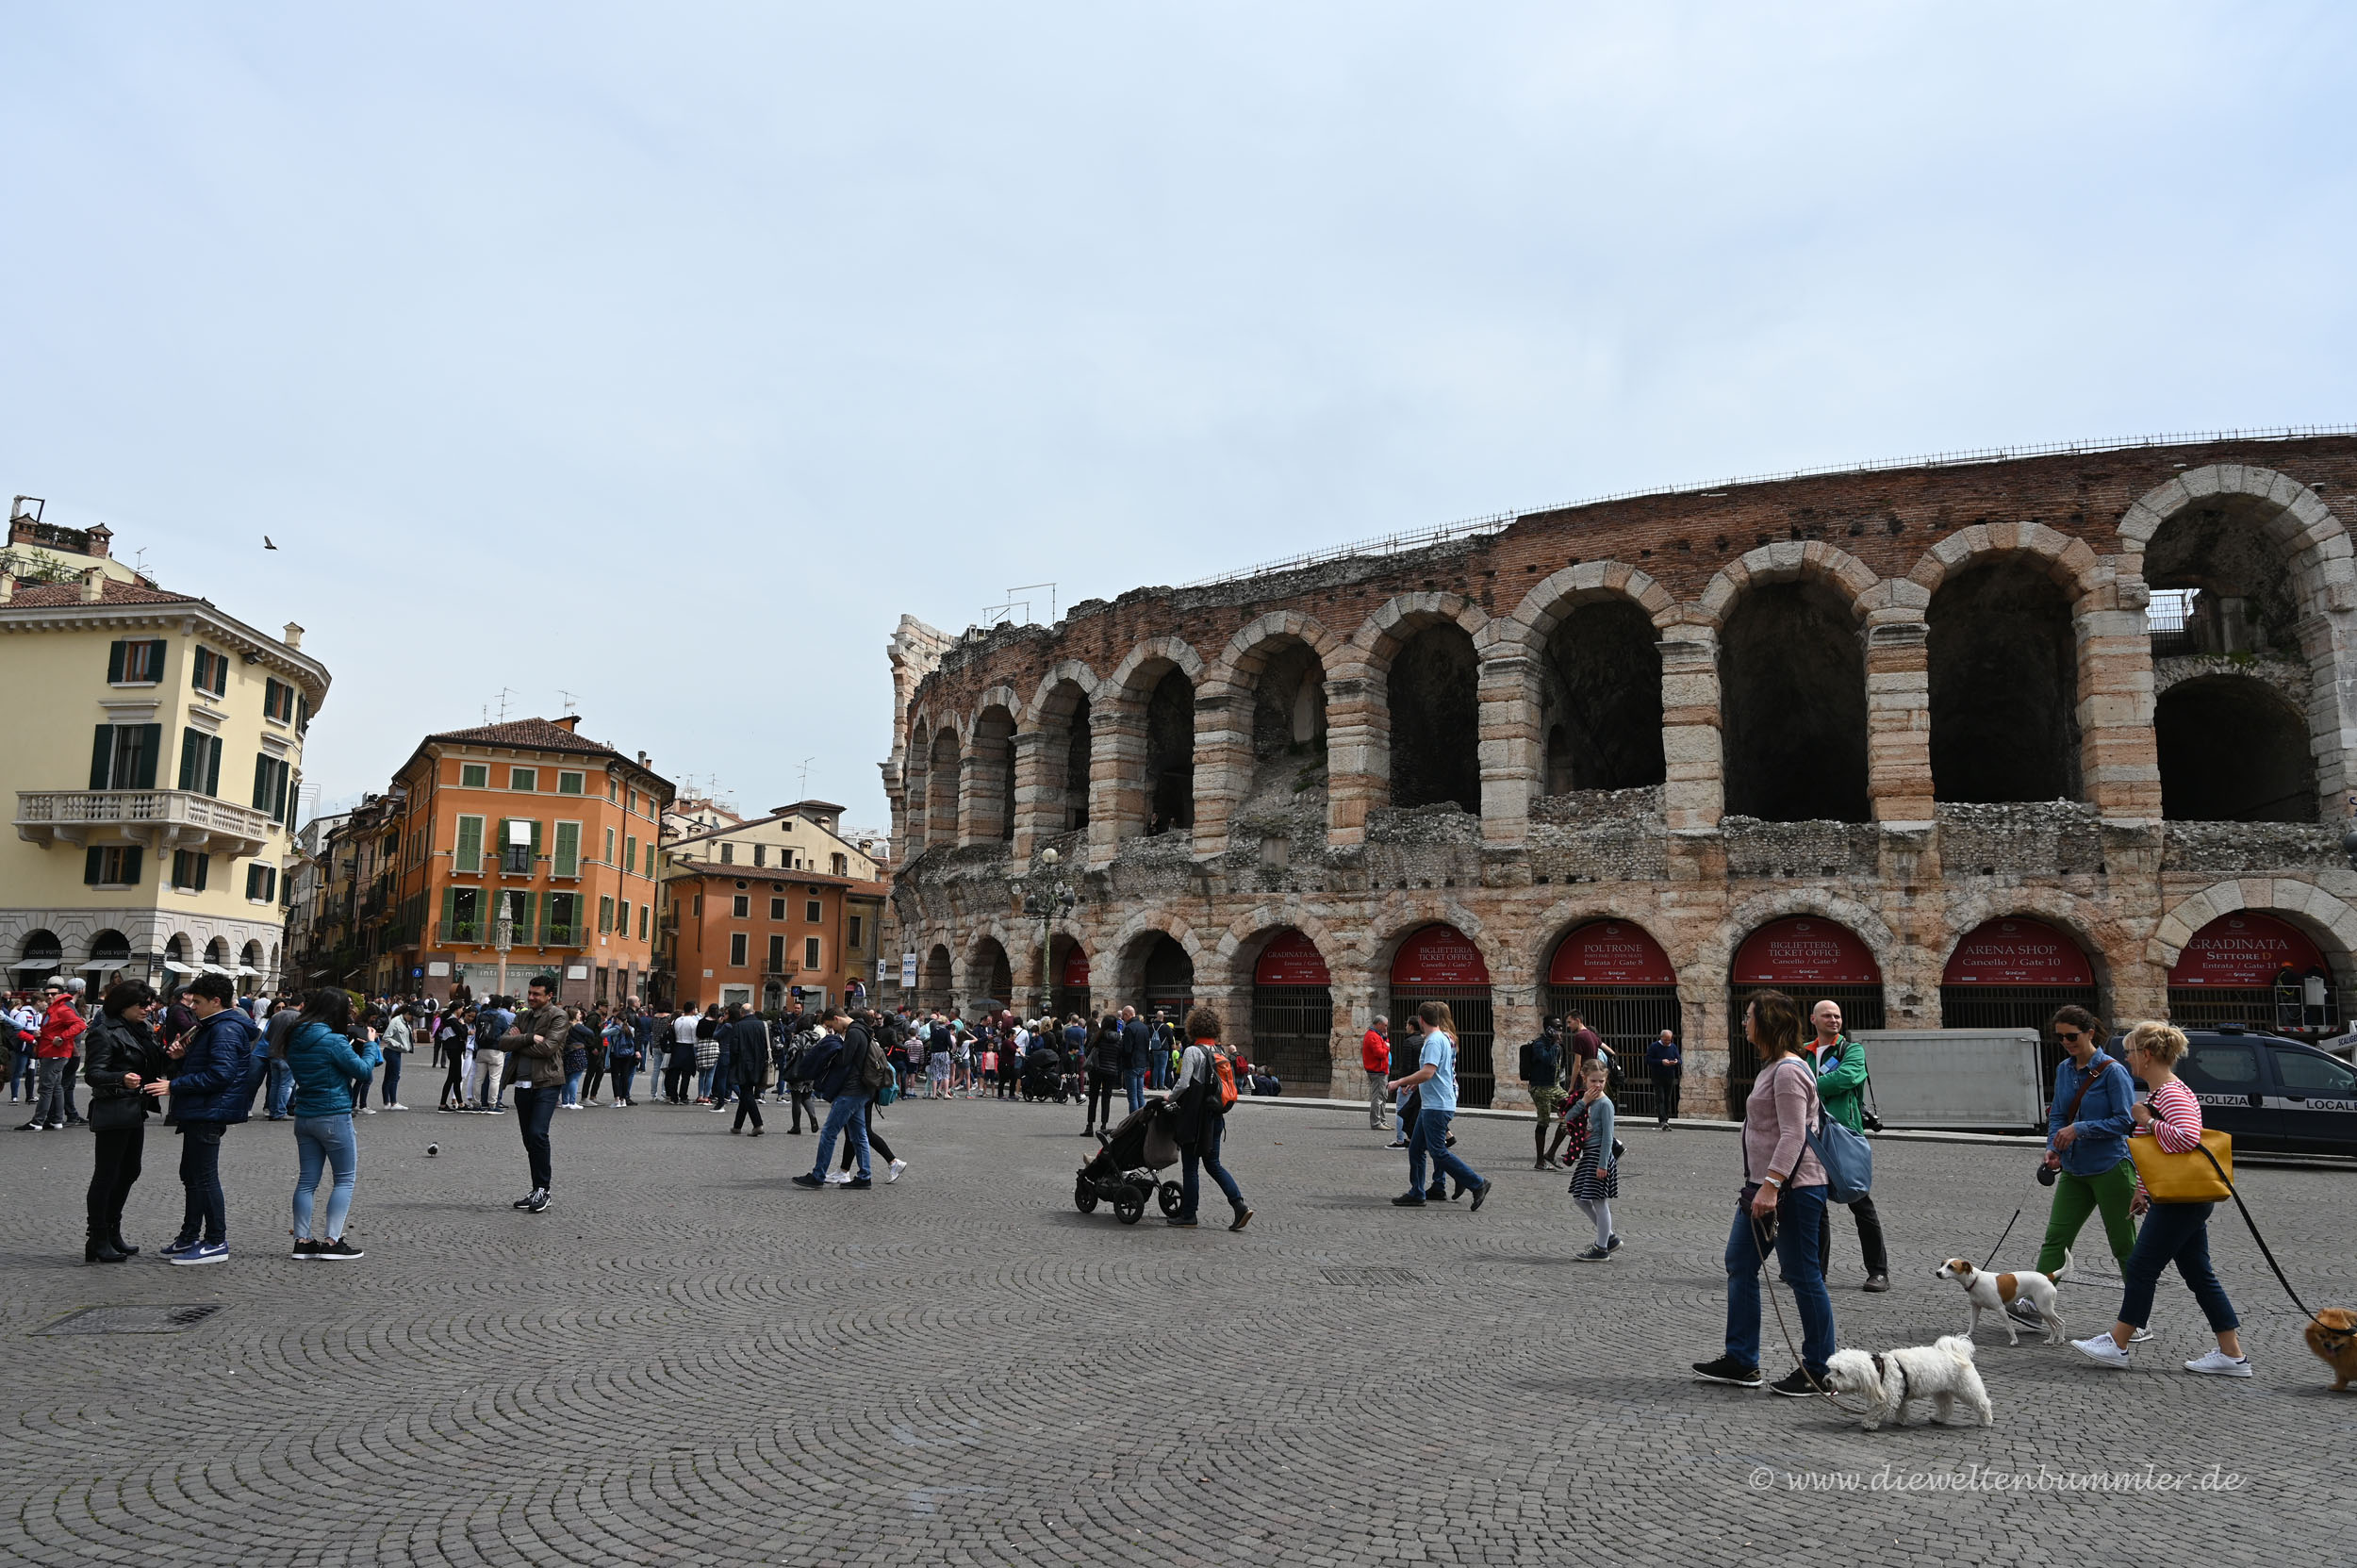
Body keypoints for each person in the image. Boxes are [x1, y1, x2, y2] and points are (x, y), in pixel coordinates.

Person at [2071, 1020, 2251, 1376]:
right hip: (2177, 1197)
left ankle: (2118, 1342)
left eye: (2131, 1052)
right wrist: (2143, 1189)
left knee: (2141, 1266)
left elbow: (2186, 1139)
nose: (2127, 1059)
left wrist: (2146, 1120)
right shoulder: (2162, 1093)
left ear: (2147, 1055)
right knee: (2199, 1273)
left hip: (2181, 1200)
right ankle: (2232, 1354)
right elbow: (2160, 1154)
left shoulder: (2169, 1093)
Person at [1692, 989, 1836, 1396]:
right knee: (1739, 1262)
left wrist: (1771, 1185)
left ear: (1767, 1022)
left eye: (1749, 1016)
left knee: (1803, 1275)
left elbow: (1794, 1133)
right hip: (1762, 1186)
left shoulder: (1789, 1070)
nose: (1744, 1023)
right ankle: (1741, 1360)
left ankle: (1821, 1369)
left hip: (1791, 1188)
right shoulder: (1773, 1066)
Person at [2019, 1005, 2138, 1332]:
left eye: (2072, 1036)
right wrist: (2053, 1149)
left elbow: (2125, 1121)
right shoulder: (2064, 1069)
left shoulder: (2113, 1072)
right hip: (2073, 1169)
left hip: (2111, 1167)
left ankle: (2137, 1315)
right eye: (2060, 1037)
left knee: (2124, 1246)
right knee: (2056, 1238)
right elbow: (2058, 1114)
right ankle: (2033, 1304)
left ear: (2089, 1033)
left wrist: (2079, 1129)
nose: (2066, 1042)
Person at [160, 973, 260, 1266]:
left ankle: (216, 1240)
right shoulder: (214, 1026)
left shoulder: (226, 1029)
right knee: (191, 1174)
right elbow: (211, 1065)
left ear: (216, 1002)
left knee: (203, 1177)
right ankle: (190, 1235)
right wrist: (182, 1058)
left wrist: (174, 1085)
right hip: (202, 1109)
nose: (193, 1008)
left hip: (209, 1110)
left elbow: (221, 1074)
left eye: (199, 1002)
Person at [283, 988, 382, 1261]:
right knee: (345, 1179)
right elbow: (362, 1071)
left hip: (305, 1114)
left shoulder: (295, 1036)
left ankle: (302, 1241)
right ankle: (331, 1241)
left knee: (306, 1181)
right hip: (334, 1114)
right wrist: (371, 1045)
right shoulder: (335, 1041)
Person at [81, 979, 171, 1263]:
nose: (149, 1008)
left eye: (150, 1003)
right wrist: (121, 1078)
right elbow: (93, 1074)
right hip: (115, 1109)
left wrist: (172, 1056)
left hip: (135, 1108)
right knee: (106, 1174)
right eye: (142, 1004)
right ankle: (97, 1238)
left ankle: (112, 1230)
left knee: (130, 1170)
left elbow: (152, 1063)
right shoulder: (103, 1032)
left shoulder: (142, 1029)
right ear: (123, 1005)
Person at [1806, 1000, 1888, 1292]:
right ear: (1813, 1019)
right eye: (1828, 1015)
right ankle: (1817, 1271)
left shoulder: (1851, 1050)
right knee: (1814, 1204)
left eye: (1838, 1015)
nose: (1835, 1020)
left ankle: (1878, 1271)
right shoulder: (1805, 1052)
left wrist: (1806, 1083)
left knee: (1861, 1202)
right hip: (1810, 1136)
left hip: (1843, 1134)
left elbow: (1847, 1078)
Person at [1387, 1000, 1490, 1210]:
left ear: (1421, 1020)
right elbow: (1438, 1073)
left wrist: (1400, 1082)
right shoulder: (1443, 1037)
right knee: (1415, 1149)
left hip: (1437, 1105)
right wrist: (1415, 1086)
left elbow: (1429, 1071)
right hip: (1432, 1103)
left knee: (1438, 1151)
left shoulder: (1434, 1041)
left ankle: (1477, 1183)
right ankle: (1417, 1192)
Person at [1167, 1007, 1252, 1230]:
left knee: (1191, 1167)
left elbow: (1184, 1084)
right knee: (1213, 1163)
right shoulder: (1220, 1051)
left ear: (1193, 1027)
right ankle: (1239, 1205)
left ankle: (1188, 1214)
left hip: (1195, 1118)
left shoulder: (1193, 1052)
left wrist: (1169, 1097)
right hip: (1215, 1116)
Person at [500, 976, 570, 1213]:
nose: (530, 998)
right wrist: (528, 1037)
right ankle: (535, 1189)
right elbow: (503, 1042)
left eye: (536, 994)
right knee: (529, 1140)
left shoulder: (558, 1016)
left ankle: (544, 1190)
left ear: (549, 995)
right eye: (530, 993)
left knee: (538, 1134)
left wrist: (517, 1042)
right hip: (522, 1084)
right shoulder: (523, 1015)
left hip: (547, 1082)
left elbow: (548, 1048)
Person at [794, 1009, 882, 1190]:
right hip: (862, 1089)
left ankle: (818, 1175)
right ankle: (865, 1176)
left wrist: (831, 1048)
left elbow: (844, 1060)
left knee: (829, 1132)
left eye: (831, 1025)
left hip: (851, 1090)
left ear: (837, 1018)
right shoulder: (863, 1030)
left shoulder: (854, 1032)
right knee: (859, 1134)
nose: (832, 1030)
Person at [1567, 1059, 1620, 1261]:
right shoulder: (1587, 1100)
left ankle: (1601, 1248)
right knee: (1580, 1199)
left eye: (1601, 1081)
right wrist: (1583, 1102)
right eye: (1593, 1081)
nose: (1597, 1085)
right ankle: (1609, 1237)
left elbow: (1608, 1136)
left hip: (1599, 1155)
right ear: (1584, 1078)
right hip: (1588, 1154)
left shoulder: (1606, 1104)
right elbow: (1567, 1118)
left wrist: (1603, 1164)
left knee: (1599, 1201)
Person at [17, 979, 87, 1131]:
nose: (49, 996)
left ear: (61, 994)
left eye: (53, 994)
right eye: (47, 994)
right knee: (55, 1087)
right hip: (52, 1052)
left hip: (55, 1053)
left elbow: (80, 1025)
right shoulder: (53, 1010)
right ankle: (56, 1120)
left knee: (46, 1088)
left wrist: (62, 1037)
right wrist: (43, 1034)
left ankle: (38, 1122)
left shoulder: (62, 1009)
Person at [1520, 1016, 1566, 1170]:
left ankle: (1551, 1153)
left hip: (1555, 1086)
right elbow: (1547, 1060)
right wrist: (1556, 1044)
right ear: (1548, 1028)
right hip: (1540, 1088)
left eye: (1561, 1027)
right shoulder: (1540, 1044)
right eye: (1556, 1027)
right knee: (1544, 1122)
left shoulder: (1557, 1045)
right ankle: (1540, 1161)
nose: (1560, 1030)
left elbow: (1560, 1066)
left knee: (1572, 1115)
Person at [720, 1003, 769, 1134]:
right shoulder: (763, 1025)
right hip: (759, 1064)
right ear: (753, 1012)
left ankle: (758, 1124)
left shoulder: (738, 1026)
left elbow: (734, 1048)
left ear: (742, 1013)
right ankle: (737, 1126)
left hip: (743, 1064)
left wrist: (732, 1064)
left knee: (746, 1093)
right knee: (746, 1092)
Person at [1645, 1029, 1683, 1130]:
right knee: (1660, 1098)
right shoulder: (1654, 1046)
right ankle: (1662, 1120)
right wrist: (1661, 1062)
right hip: (1657, 1075)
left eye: (1669, 1040)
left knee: (1667, 1098)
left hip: (1669, 1075)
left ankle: (1666, 1119)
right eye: (1666, 1040)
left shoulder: (1673, 1047)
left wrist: (1676, 1062)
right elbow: (1648, 1060)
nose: (1667, 1042)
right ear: (1661, 1038)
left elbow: (1680, 1060)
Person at [378, 1004, 413, 1111]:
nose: (413, 1019)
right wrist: (399, 1045)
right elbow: (386, 1037)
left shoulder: (404, 1022)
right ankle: (393, 1102)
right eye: (412, 1016)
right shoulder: (396, 1021)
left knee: (389, 1077)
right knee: (394, 1077)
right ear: (407, 1014)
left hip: (395, 1052)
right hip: (393, 1051)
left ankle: (387, 1102)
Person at [435, 1008, 470, 1110]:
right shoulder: (453, 1021)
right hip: (455, 1049)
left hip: (452, 1050)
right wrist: (463, 1024)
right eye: (462, 1008)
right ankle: (450, 1104)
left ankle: (458, 1103)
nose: (462, 1011)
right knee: (454, 1078)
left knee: (454, 1077)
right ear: (457, 1009)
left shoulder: (448, 1020)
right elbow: (462, 1033)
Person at [1360, 1016, 1392, 1132]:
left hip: (1381, 1070)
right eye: (1385, 1025)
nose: (1386, 1028)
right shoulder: (1373, 1036)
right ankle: (1376, 1122)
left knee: (1382, 1096)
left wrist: (1385, 1042)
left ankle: (1382, 1120)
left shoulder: (1377, 1035)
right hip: (1377, 1070)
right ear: (1378, 1024)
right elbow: (1380, 1053)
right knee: (1378, 1097)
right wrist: (1387, 1047)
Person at [1119, 1006, 1149, 1113]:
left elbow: (1127, 1049)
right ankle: (1143, 1118)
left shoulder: (1129, 1028)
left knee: (1132, 1096)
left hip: (1131, 1064)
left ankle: (1133, 1122)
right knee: (1140, 1094)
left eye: (1123, 1017)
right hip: (1142, 1063)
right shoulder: (1144, 1027)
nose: (1123, 1019)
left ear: (1128, 1015)